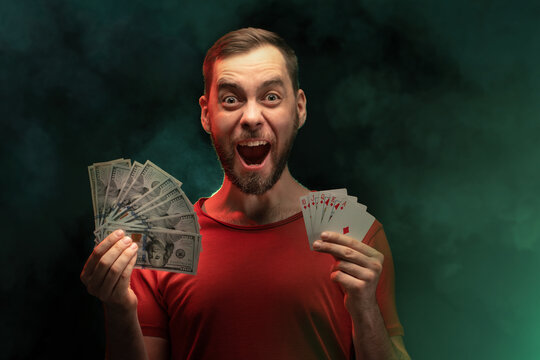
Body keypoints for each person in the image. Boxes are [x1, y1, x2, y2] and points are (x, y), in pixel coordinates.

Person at [80, 27, 411, 360]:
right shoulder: (160, 243)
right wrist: (119, 308)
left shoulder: (354, 232)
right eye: (230, 100)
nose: (251, 117)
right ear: (207, 114)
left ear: (299, 108)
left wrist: (366, 309)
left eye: (270, 97)